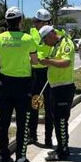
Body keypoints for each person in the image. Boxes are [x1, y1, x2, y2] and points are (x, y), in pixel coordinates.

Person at [0, 6, 39, 162]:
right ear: (20, 21)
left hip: (5, 85)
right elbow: (34, 61)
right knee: (22, 124)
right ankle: (20, 159)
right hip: (23, 86)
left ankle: (5, 158)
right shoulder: (28, 39)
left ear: (6, 22)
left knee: (3, 123)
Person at [39, 25, 76, 161]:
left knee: (61, 120)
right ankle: (60, 147)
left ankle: (63, 151)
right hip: (56, 87)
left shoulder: (66, 43)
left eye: (44, 40)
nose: (45, 43)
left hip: (64, 87)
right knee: (57, 119)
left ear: (50, 35)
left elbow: (66, 62)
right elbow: (57, 61)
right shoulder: (56, 45)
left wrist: (48, 61)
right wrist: (48, 61)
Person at [28, 9, 54, 148]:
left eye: (37, 22)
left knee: (49, 108)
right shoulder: (31, 32)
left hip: (48, 73)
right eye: (35, 21)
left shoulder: (53, 33)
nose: (34, 23)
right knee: (34, 105)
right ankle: (32, 135)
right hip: (35, 75)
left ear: (45, 22)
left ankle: (48, 138)